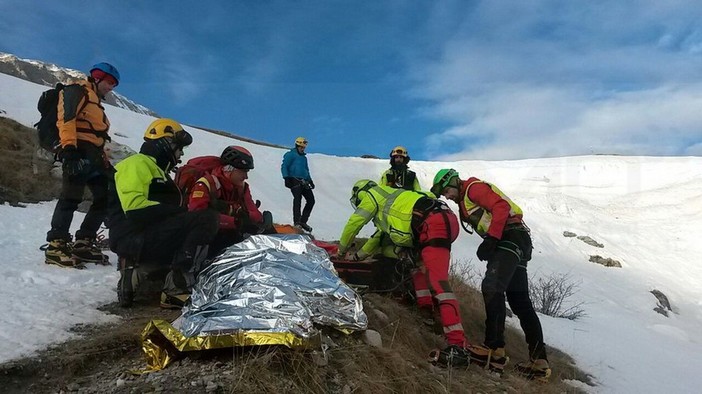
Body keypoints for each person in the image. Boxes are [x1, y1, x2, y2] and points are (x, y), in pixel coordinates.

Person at [431, 169, 551, 379]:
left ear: (453, 181)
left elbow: (501, 206)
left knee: (491, 287)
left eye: (447, 191)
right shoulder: (466, 196)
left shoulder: (472, 188)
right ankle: (539, 363)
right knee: (519, 301)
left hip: (508, 237)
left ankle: (494, 349)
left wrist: (492, 239)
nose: (447, 197)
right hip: (518, 239)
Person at [336, 180, 470, 366]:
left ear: (361, 193)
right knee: (418, 270)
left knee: (440, 284)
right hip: (434, 221)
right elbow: (378, 237)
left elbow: (354, 222)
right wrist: (358, 256)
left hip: (432, 222)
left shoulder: (372, 195)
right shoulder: (395, 198)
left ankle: (458, 345)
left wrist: (340, 252)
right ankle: (426, 311)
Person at [108, 118, 219, 309]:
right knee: (205, 219)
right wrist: (180, 213)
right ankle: (176, 287)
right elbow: (135, 208)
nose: (181, 153)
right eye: (179, 148)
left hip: (145, 235)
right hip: (133, 235)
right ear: (167, 143)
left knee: (203, 223)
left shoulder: (159, 172)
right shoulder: (136, 163)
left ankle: (138, 273)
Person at [44, 62, 120, 268]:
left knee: (105, 197)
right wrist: (68, 150)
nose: (111, 87)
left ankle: (83, 242)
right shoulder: (77, 91)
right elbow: (66, 119)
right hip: (77, 150)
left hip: (94, 155)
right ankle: (56, 245)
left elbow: (97, 133)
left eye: (114, 84)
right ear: (97, 77)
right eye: (110, 82)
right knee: (71, 197)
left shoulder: (95, 101)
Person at [187, 145, 273, 256]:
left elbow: (254, 212)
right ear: (229, 169)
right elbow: (197, 217)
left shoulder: (242, 188)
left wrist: (261, 220)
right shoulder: (206, 184)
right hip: (208, 239)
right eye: (243, 171)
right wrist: (236, 222)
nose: (246, 176)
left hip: (230, 233)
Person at [281, 136, 315, 232]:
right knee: (297, 199)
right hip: (294, 180)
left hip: (304, 181)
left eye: (303, 147)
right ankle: (297, 222)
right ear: (297, 146)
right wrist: (286, 177)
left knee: (311, 200)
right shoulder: (290, 155)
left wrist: (310, 180)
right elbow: (284, 166)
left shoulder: (304, 158)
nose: (302, 149)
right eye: (301, 147)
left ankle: (303, 221)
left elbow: (306, 170)